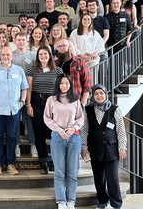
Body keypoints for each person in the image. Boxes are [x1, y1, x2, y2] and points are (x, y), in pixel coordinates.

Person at [82, 84, 127, 209]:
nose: (99, 96)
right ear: (93, 96)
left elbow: (121, 130)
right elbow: (84, 130)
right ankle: (102, 201)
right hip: (95, 149)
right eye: (96, 94)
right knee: (99, 178)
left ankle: (116, 204)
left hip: (111, 150)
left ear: (105, 94)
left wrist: (122, 147)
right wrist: (84, 146)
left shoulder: (114, 109)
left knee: (112, 178)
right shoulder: (88, 109)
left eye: (101, 93)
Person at [44, 74, 84, 209]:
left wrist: (73, 129)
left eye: (67, 83)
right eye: (62, 83)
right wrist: (60, 130)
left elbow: (80, 119)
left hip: (73, 137)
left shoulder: (75, 100)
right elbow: (47, 118)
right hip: (57, 136)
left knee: (72, 172)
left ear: (70, 85)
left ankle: (71, 200)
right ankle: (61, 200)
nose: (64, 86)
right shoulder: (52, 100)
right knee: (59, 171)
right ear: (58, 84)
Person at [0, 46, 28, 175]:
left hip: (14, 110)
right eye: (3, 55)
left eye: (8, 55)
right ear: (0, 56)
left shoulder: (19, 70)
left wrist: (22, 102)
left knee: (12, 137)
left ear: (12, 56)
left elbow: (24, 88)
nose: (6, 57)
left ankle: (11, 163)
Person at [26, 46, 63, 174]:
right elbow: (29, 88)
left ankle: (54, 160)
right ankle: (43, 161)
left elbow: (61, 89)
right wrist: (28, 105)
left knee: (53, 132)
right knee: (39, 132)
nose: (43, 56)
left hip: (53, 103)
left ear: (50, 55)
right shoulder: (32, 69)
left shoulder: (57, 70)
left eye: (45, 54)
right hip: (36, 102)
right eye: (40, 54)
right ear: (37, 56)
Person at [12, 32, 37, 158]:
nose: (21, 42)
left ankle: (33, 145)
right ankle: (16, 145)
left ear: (27, 41)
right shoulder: (11, 56)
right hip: (15, 93)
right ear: (14, 41)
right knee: (15, 120)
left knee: (29, 120)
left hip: (29, 92)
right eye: (19, 40)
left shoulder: (32, 56)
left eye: (23, 40)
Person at [55, 39, 92, 105]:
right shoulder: (56, 64)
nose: (61, 48)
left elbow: (87, 83)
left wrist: (83, 101)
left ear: (69, 47)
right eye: (59, 47)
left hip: (75, 99)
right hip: (59, 101)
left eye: (64, 46)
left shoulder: (79, 62)